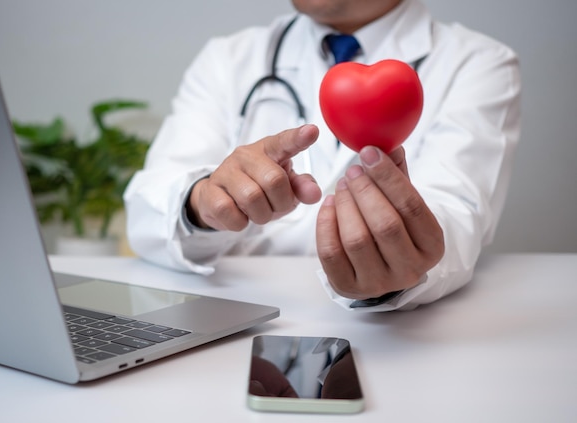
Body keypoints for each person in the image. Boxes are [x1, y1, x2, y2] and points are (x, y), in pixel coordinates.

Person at [124, 0, 521, 311]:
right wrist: (202, 204)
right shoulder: (228, 58)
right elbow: (149, 206)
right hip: (230, 317)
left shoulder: (478, 62)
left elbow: (454, 217)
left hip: (393, 339)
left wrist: (397, 269)